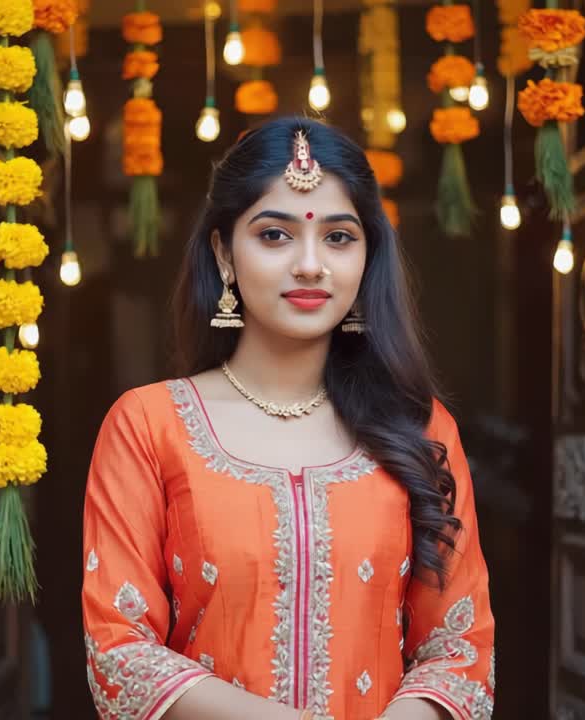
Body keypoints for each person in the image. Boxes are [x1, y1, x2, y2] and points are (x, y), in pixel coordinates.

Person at [81, 117, 495, 720]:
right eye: (274, 236)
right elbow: (119, 653)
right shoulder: (149, 425)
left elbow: (460, 647)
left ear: (367, 255)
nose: (309, 265)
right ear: (224, 252)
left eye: (339, 237)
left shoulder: (420, 429)